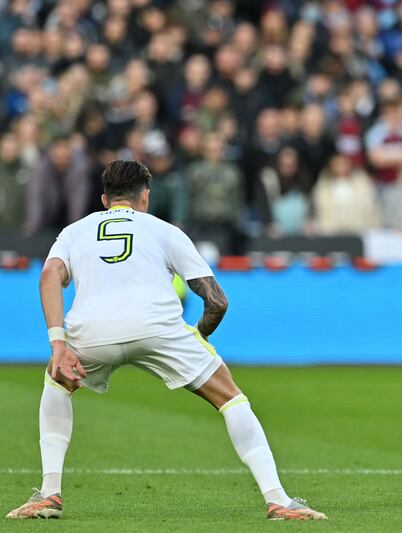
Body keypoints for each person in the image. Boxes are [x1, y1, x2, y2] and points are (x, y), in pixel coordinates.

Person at [6, 160, 326, 521]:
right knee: (231, 398)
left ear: (103, 199)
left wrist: (58, 344)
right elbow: (217, 301)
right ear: (145, 196)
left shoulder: (74, 231)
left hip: (91, 331)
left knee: (57, 384)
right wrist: (196, 338)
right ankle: (278, 500)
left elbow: (49, 274)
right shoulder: (165, 230)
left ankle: (49, 494)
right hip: (158, 327)